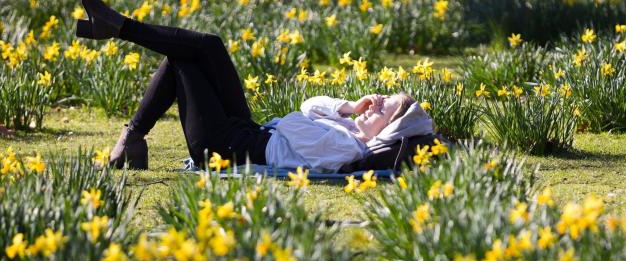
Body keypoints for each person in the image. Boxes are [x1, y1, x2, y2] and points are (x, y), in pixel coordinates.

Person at [75, 0, 434, 172]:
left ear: (385, 132)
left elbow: (294, 120)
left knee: (180, 61)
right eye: (380, 98)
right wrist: (349, 108)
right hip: (248, 132)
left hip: (228, 148)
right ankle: (120, 29)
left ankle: (131, 134)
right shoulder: (346, 127)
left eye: (383, 108)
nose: (375, 103)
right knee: (209, 45)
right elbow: (310, 106)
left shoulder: (347, 148)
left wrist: (338, 121)